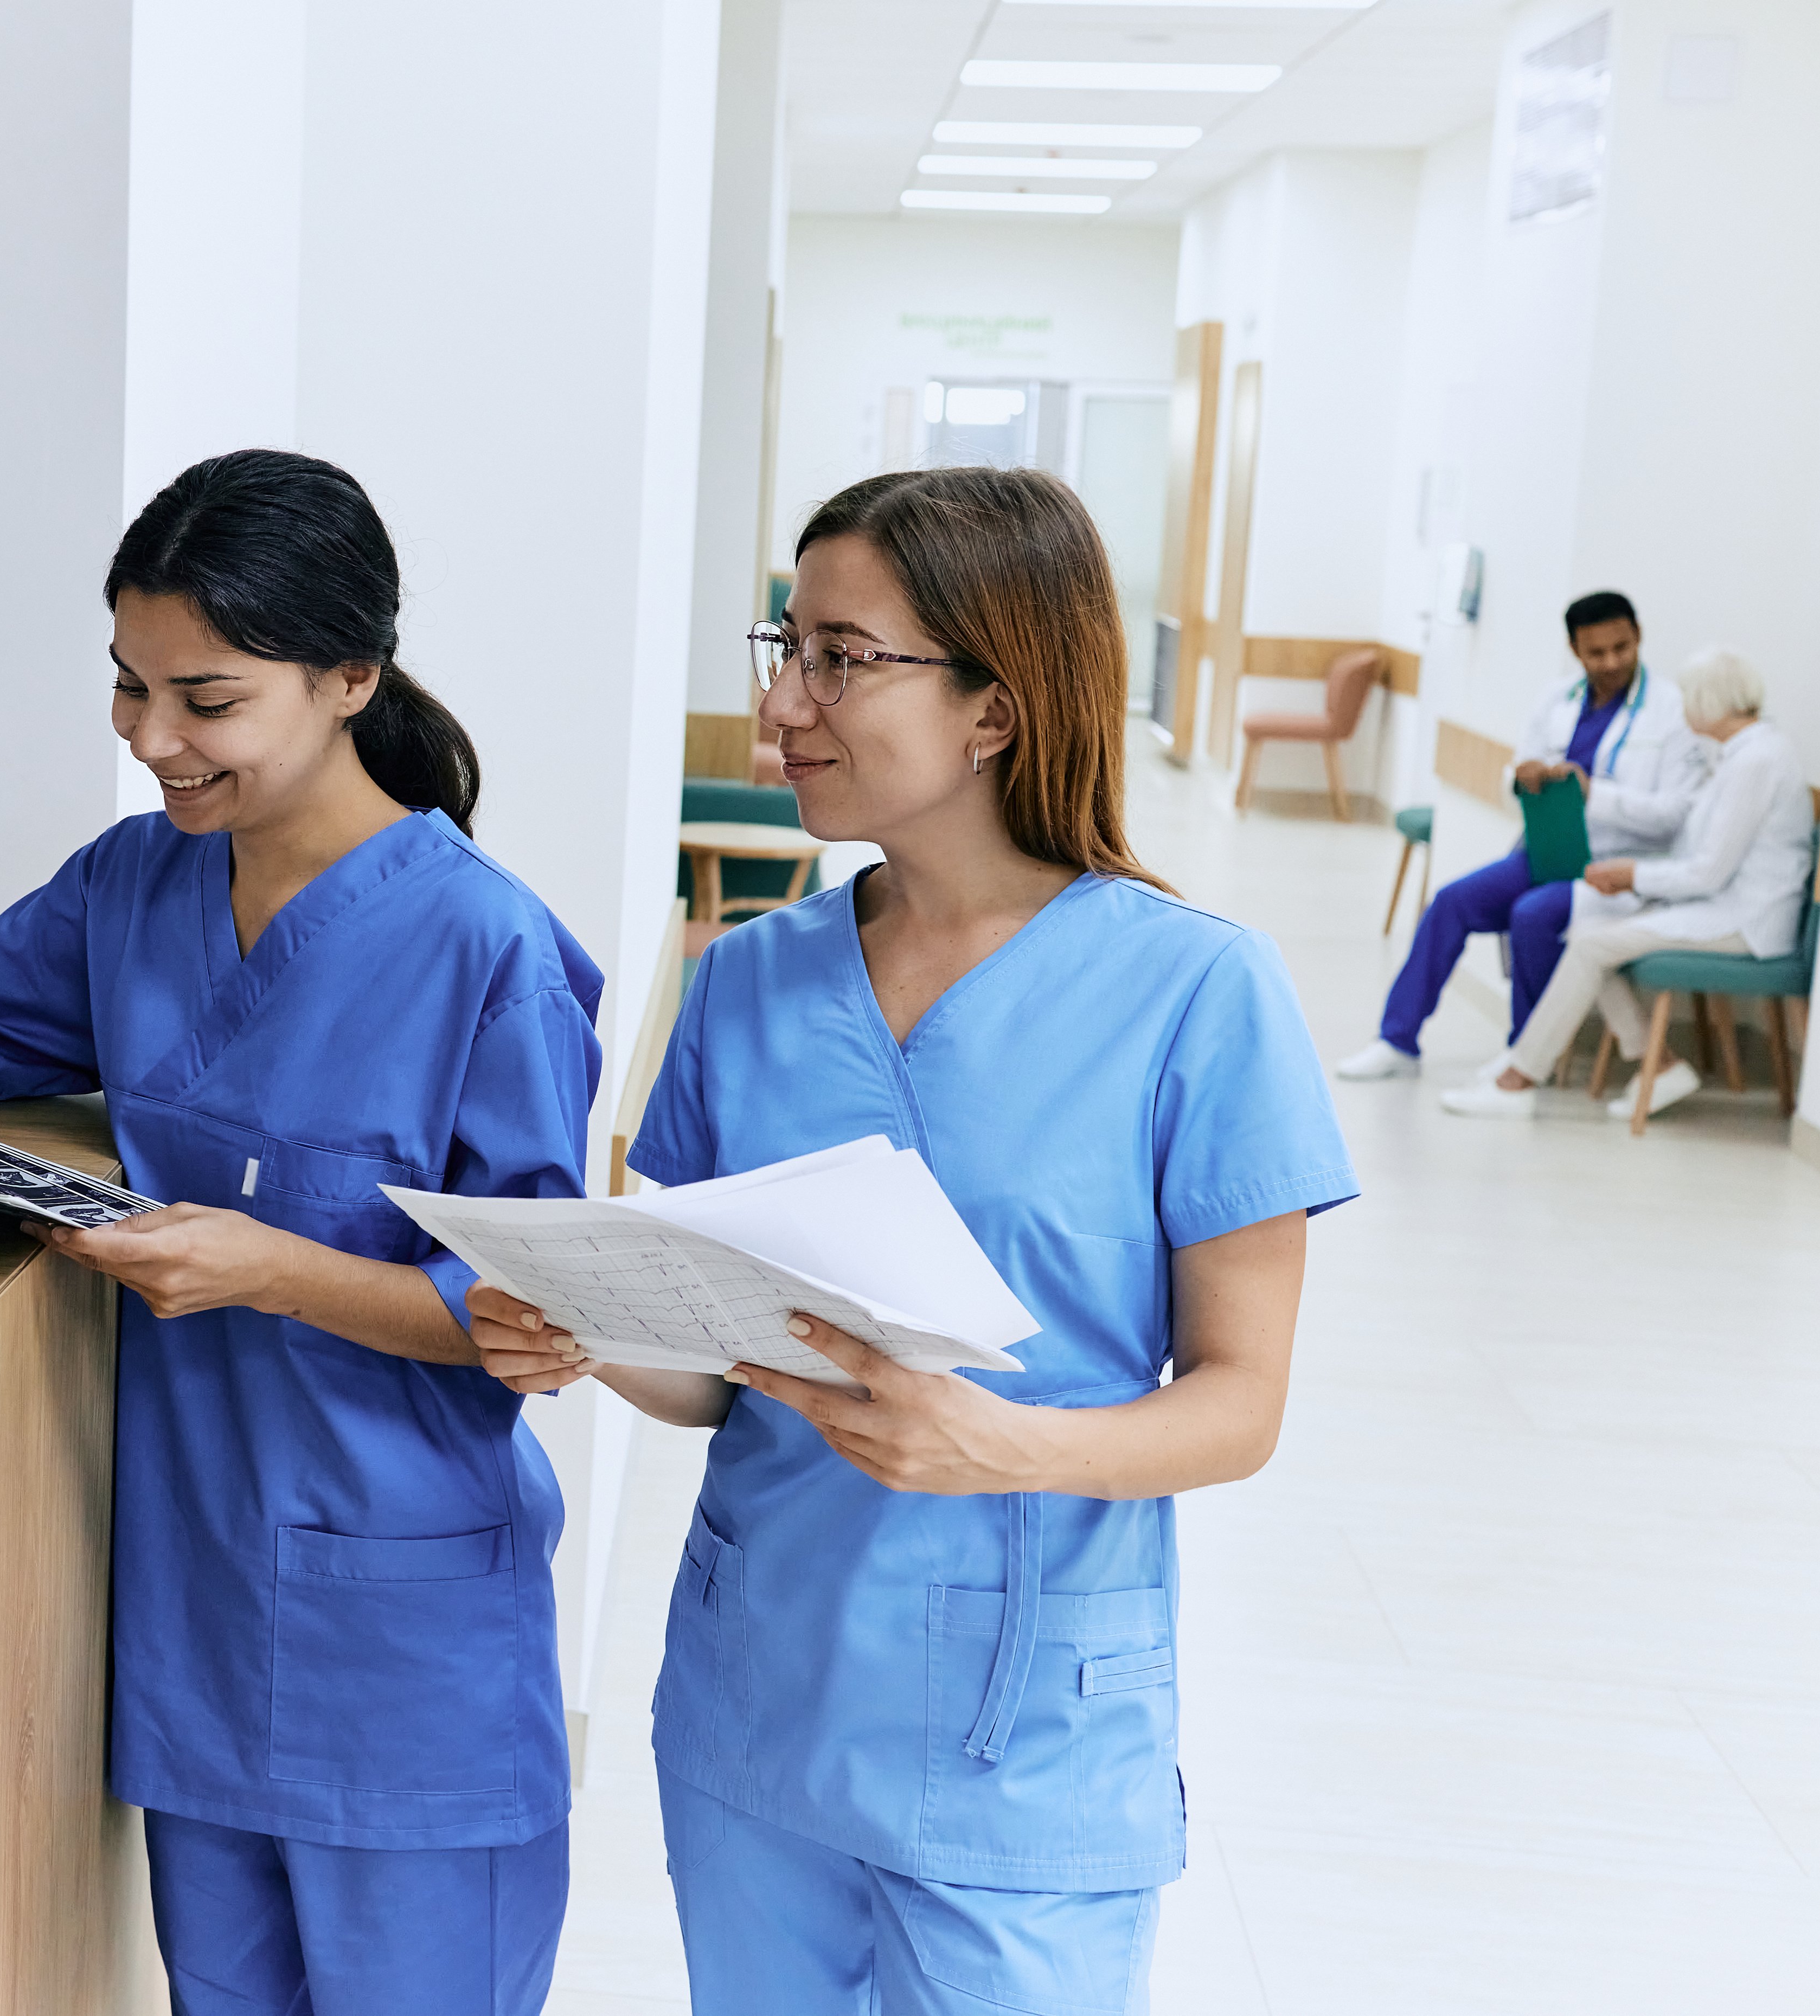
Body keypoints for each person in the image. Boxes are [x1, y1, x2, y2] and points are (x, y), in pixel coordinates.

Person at [473, 467, 1356, 2015]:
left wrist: (996, 1440)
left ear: (995, 709)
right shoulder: (747, 981)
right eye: (785, 645)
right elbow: (718, 1368)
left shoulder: (1197, 994)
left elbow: (1241, 1400)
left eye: (841, 656)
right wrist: (586, 1334)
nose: (786, 704)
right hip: (764, 1700)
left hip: (1025, 1733)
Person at [0, 450, 600, 2015]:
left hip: (403, 1636)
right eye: (128, 688)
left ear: (349, 679)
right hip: (195, 1606)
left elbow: (529, 1314)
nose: (153, 740)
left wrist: (274, 1273)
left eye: (207, 698)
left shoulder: (483, 944)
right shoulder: (134, 884)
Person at [1337, 590, 1709, 1079]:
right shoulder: (1558, 700)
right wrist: (1521, 778)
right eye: (1596, 653)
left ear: (1638, 637)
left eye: (1622, 648)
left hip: (1611, 868)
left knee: (1530, 916)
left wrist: (1593, 793)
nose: (1612, 661)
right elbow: (1514, 777)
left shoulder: (1672, 712)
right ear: (1577, 651)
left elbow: (1673, 816)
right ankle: (1397, 1040)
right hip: (1543, 853)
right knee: (1450, 903)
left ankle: (1525, 1056)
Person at [1442, 649, 1814, 1119]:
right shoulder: (1737, 756)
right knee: (1586, 932)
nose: (1680, 712)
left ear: (1708, 702)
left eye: (1687, 700)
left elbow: (1708, 871)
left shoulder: (1756, 762)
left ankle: (1517, 1081)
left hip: (1747, 920)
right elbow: (1699, 855)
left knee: (1593, 945)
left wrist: (1633, 875)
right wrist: (1632, 877)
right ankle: (1658, 1064)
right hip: (1719, 905)